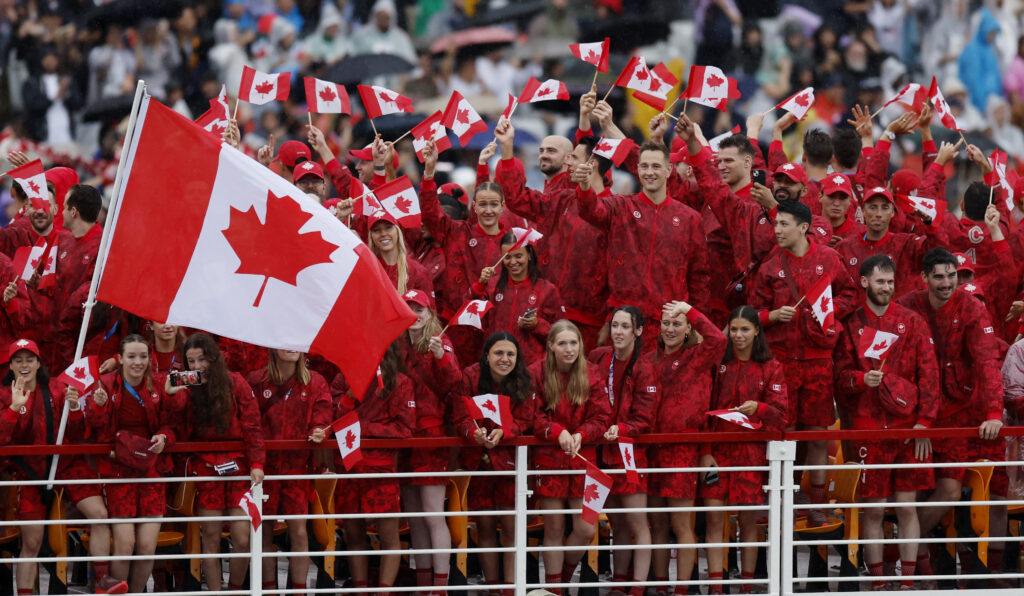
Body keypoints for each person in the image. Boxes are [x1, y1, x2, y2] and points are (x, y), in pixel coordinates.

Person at [897, 248, 1004, 577]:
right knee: (907, 495)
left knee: (950, 491)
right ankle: (914, 562)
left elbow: (987, 363)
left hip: (958, 416)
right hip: (915, 418)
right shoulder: (907, 305)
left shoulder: (972, 308)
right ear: (925, 278)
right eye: (939, 276)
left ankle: (900, 553)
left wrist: (994, 412)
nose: (947, 283)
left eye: (952, 276)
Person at [749, 199, 857, 526]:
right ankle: (790, 496)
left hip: (819, 360)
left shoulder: (829, 259)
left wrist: (827, 309)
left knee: (817, 434)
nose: (777, 230)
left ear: (803, 228)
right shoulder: (770, 266)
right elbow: (752, 313)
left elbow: (851, 295)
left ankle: (818, 504)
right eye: (775, 224)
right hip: (781, 363)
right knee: (786, 432)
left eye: (783, 224)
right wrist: (772, 316)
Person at [835, 256, 939, 590]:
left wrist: (924, 423)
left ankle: (907, 581)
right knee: (875, 510)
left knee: (907, 508)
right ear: (864, 282)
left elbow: (930, 375)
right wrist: (859, 380)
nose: (887, 288)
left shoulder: (913, 321)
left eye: (891, 282)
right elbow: (838, 378)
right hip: (868, 431)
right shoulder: (850, 324)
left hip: (908, 431)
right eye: (880, 282)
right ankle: (878, 581)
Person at [0, 339, 121, 594]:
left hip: (67, 465)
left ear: (38, 362)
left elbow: (77, 432)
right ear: (10, 365)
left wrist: (75, 408)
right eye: (19, 360)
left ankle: (101, 579)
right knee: (31, 544)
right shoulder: (2, 395)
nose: (24, 364)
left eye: (29, 359)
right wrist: (13, 408)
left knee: (100, 514)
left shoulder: (58, 388)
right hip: (29, 473)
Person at [574, 142, 710, 338]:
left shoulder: (690, 218)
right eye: (644, 166)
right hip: (625, 322)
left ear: (668, 169)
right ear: (637, 169)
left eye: (656, 166)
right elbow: (592, 211)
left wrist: (698, 323)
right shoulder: (621, 206)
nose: (649, 172)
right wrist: (585, 187)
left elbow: (699, 277)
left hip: (669, 325)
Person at [494, 118, 608, 349]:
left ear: (592, 164)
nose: (569, 163)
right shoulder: (561, 199)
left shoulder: (615, 209)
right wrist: (507, 149)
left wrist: (612, 317)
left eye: (573, 158)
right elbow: (517, 198)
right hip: (547, 313)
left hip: (590, 322)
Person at [164, 333, 265, 593]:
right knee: (209, 537)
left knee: (243, 539)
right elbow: (177, 428)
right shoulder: (185, 388)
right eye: (191, 361)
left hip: (239, 468)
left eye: (202, 359)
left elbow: (253, 425)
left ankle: (234, 589)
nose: (197, 366)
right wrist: (174, 396)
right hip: (205, 469)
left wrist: (257, 463)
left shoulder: (236, 382)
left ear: (214, 358)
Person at [643, 301, 726, 595]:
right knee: (657, 526)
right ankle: (662, 587)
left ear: (689, 328)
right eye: (666, 323)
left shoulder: (698, 357)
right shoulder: (647, 360)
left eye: (677, 323)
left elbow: (719, 339)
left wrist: (689, 309)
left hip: (682, 451)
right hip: (651, 451)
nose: (670, 329)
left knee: (681, 526)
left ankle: (682, 589)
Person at [703, 305, 787, 595]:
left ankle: (746, 588)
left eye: (745, 329)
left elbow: (782, 414)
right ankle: (716, 587)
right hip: (716, 453)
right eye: (734, 329)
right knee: (714, 518)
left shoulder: (771, 366)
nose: (738, 335)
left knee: (749, 521)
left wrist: (759, 407)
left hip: (751, 455)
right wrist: (706, 450)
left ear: (756, 332)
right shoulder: (716, 364)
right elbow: (701, 409)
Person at [85, 334, 176, 593]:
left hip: (151, 469)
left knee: (147, 547)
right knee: (124, 544)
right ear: (120, 359)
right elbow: (93, 428)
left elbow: (173, 422)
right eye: (132, 356)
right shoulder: (104, 385)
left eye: (143, 356)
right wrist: (98, 407)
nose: (138, 362)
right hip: (118, 471)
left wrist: (164, 437)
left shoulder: (159, 384)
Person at [453, 332, 537, 596]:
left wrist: (504, 432)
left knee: (512, 529)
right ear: (486, 355)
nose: (505, 359)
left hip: (510, 465)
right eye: (498, 353)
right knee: (485, 528)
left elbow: (526, 419)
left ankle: (511, 590)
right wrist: (473, 433)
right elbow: (460, 415)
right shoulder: (469, 377)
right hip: (477, 465)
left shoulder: (524, 380)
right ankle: (492, 588)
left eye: (510, 354)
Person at [531, 320, 611, 593]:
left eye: (573, 343)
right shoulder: (536, 372)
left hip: (583, 459)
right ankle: (554, 591)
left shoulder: (592, 372)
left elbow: (602, 416)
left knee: (587, 528)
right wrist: (555, 431)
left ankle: (562, 579)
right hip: (549, 459)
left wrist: (582, 434)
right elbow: (531, 415)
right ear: (551, 345)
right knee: (553, 528)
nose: (569, 349)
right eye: (562, 343)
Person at [331, 343, 415, 596]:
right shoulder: (343, 377)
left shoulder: (401, 382)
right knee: (353, 536)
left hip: (381, 471)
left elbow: (406, 429)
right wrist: (349, 397)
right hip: (349, 467)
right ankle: (360, 591)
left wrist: (365, 429)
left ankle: (383, 593)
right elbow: (331, 420)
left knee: (389, 537)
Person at [247, 349, 332, 593]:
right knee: (262, 533)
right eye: (285, 341)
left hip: (297, 469)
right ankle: (268, 589)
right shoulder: (255, 380)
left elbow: (324, 415)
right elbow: (249, 422)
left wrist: (320, 430)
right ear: (272, 346)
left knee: (299, 532)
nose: (291, 346)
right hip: (263, 470)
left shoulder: (315, 381)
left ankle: (299, 590)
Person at [588, 306, 656, 596]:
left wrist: (623, 429)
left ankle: (638, 588)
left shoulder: (646, 366)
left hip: (629, 452)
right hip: (601, 451)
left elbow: (646, 417)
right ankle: (619, 584)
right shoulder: (598, 357)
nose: (618, 331)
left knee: (637, 520)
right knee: (616, 522)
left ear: (638, 331)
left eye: (625, 326)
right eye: (615, 325)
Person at [397, 289, 461, 595]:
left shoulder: (441, 342)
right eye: (408, 308)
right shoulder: (398, 345)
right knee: (415, 517)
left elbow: (455, 383)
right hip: (404, 436)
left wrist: (441, 357)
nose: (414, 314)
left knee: (433, 513)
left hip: (431, 435)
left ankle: (440, 588)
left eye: (419, 309)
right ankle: (424, 585)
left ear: (430, 313)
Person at [421, 140, 509, 362]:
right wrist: (429, 173)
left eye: (494, 204)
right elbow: (431, 213)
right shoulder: (457, 232)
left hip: (495, 331)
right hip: (455, 327)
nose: (488, 210)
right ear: (474, 207)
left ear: (502, 205)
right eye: (483, 205)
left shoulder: (512, 242)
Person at [473, 230, 564, 365]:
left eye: (518, 256)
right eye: (507, 257)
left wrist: (538, 325)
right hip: (497, 366)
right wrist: (479, 285)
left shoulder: (547, 290)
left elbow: (561, 334)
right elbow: (472, 317)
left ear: (529, 255)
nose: (513, 262)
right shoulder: (492, 287)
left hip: (531, 367)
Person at [367, 209, 433, 296]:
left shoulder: (418, 272)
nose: (383, 234)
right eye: (376, 230)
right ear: (371, 236)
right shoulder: (367, 270)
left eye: (388, 227)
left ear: (398, 231)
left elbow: (428, 308)